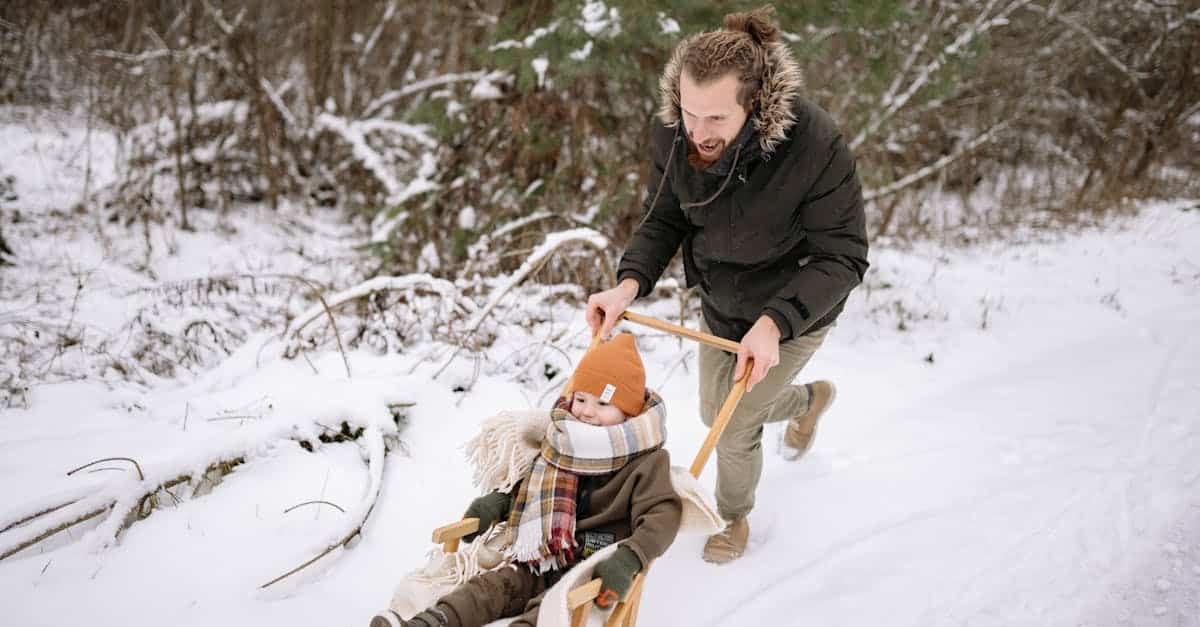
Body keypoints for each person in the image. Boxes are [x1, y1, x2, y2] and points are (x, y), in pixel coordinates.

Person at [586, 6, 869, 565]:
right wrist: (628, 284)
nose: (697, 132)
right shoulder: (673, 132)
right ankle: (810, 402)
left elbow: (843, 255)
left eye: (715, 118)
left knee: (733, 424)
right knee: (712, 407)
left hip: (795, 309)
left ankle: (732, 515)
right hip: (722, 301)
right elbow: (664, 218)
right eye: (690, 113)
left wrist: (775, 323)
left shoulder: (815, 143)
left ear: (755, 104)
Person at [371, 333, 682, 627]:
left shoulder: (646, 461)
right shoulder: (562, 439)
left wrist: (630, 558)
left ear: (628, 413)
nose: (587, 412)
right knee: (492, 587)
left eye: (603, 404)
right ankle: (431, 621)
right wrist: (498, 503)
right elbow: (533, 487)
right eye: (582, 399)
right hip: (542, 554)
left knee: (551, 609)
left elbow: (663, 514)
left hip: (592, 566)